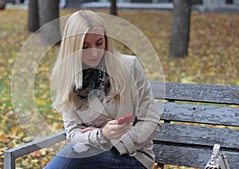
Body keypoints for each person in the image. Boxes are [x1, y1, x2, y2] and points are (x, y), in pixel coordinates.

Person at [46, 10, 161, 169]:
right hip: (90, 157)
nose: (94, 52)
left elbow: (151, 122)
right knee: (76, 152)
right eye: (85, 46)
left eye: (99, 43)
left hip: (132, 157)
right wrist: (101, 135)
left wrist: (110, 140)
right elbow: (73, 133)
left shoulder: (130, 67)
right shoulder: (67, 78)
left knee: (73, 153)